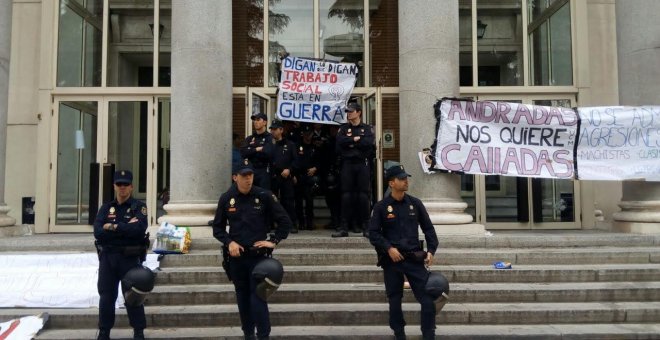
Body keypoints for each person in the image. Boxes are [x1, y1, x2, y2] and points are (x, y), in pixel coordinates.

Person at [212, 159, 292, 340]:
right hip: (237, 258)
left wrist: (274, 240)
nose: (248, 179)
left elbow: (285, 221)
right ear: (235, 177)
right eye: (244, 176)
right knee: (242, 299)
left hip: (258, 258)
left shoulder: (264, 195)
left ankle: (263, 335)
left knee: (258, 299)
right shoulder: (226, 198)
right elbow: (217, 228)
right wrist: (229, 242)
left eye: (250, 175)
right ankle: (248, 333)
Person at [368, 165, 439, 340]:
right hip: (392, 260)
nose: (406, 181)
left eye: (406, 178)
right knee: (394, 300)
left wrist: (431, 250)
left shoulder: (415, 203)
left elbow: (429, 229)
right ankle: (399, 333)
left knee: (428, 299)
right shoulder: (381, 207)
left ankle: (428, 334)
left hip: (414, 258)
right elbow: (373, 234)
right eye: (401, 178)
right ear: (392, 183)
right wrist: (389, 248)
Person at [93, 170, 149, 340]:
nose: (122, 188)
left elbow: (139, 230)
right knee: (106, 297)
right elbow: (98, 232)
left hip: (129, 258)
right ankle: (104, 332)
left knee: (133, 297)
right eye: (119, 184)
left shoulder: (139, 207)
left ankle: (138, 332)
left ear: (131, 187)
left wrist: (113, 227)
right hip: (108, 259)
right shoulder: (106, 208)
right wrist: (125, 227)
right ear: (114, 186)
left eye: (126, 184)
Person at [332, 102, 375, 237]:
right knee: (346, 195)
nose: (349, 113)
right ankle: (344, 227)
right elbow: (339, 143)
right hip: (348, 164)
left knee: (363, 195)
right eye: (348, 111)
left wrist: (350, 142)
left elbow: (368, 143)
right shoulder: (343, 128)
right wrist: (356, 140)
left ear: (359, 112)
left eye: (351, 111)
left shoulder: (367, 128)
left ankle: (366, 227)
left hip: (362, 164)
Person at [269, 119, 298, 233]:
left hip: (286, 177)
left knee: (288, 201)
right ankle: (274, 223)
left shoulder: (290, 145)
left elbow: (296, 161)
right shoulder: (269, 145)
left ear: (281, 130)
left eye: (275, 129)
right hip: (273, 177)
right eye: (271, 129)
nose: (273, 131)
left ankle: (292, 224)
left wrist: (289, 170)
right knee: (273, 201)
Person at [293, 124, 319, 231]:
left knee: (309, 201)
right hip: (299, 176)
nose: (308, 136)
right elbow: (293, 161)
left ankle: (309, 222)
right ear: (303, 134)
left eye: (310, 133)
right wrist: (293, 175)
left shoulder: (315, 147)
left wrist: (315, 168)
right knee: (298, 201)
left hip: (309, 177)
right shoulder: (297, 146)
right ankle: (301, 223)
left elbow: (319, 161)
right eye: (306, 133)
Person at [240, 112, 274, 189]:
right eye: (254, 120)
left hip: (264, 172)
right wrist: (256, 149)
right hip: (251, 171)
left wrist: (251, 151)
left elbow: (267, 154)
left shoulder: (269, 138)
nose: (255, 122)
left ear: (264, 122)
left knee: (263, 196)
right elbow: (243, 153)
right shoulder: (250, 138)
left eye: (258, 119)